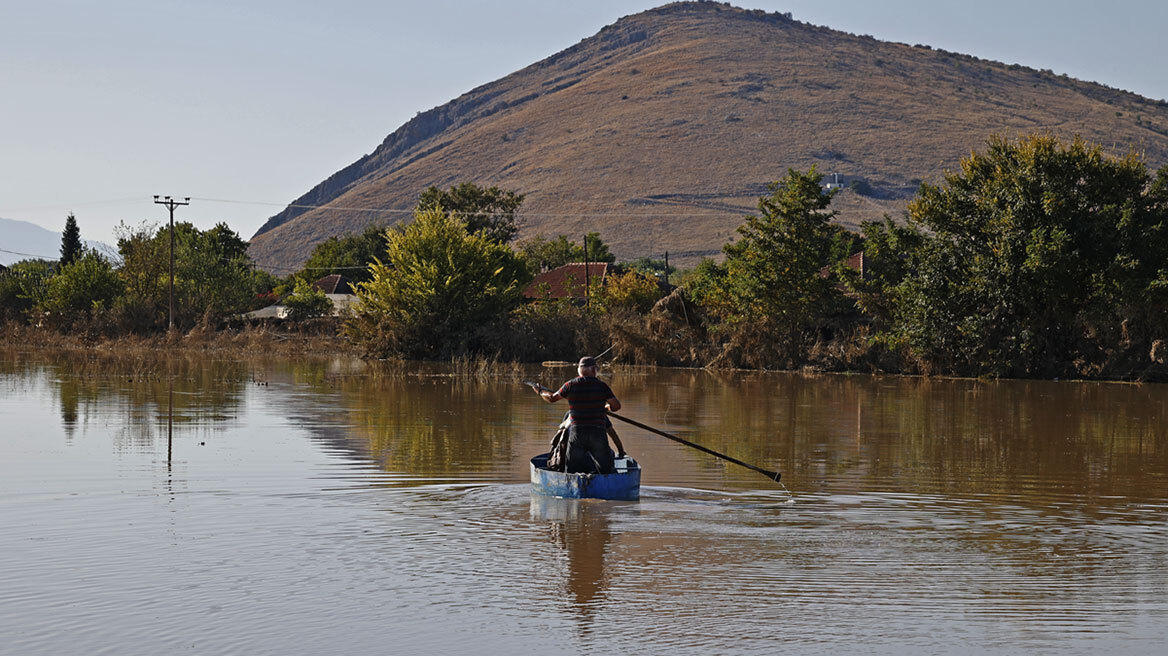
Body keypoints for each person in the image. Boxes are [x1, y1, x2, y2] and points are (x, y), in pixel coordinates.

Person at [535, 356, 622, 473]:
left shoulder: (570, 385)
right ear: (593, 370)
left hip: (577, 433)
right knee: (605, 471)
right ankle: (604, 486)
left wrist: (540, 391)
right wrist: (607, 407)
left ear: (579, 370)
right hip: (597, 433)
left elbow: (551, 398)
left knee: (571, 471)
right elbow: (616, 406)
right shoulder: (602, 386)